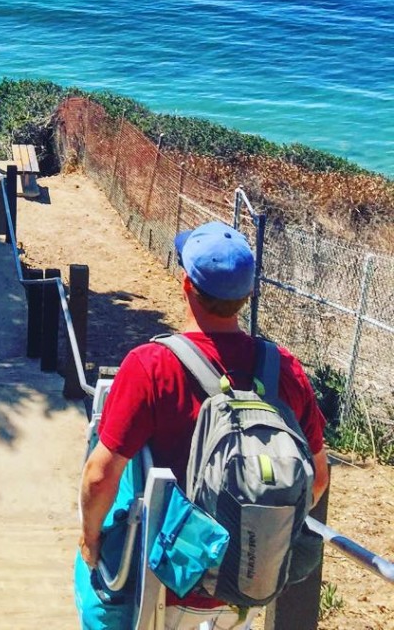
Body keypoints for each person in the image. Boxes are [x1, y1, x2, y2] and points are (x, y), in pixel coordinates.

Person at [78, 221, 329, 630]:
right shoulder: (284, 369)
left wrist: (91, 540)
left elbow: (99, 476)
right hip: (243, 590)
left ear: (186, 285)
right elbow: (317, 479)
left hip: (167, 586)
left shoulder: (151, 365)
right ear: (246, 297)